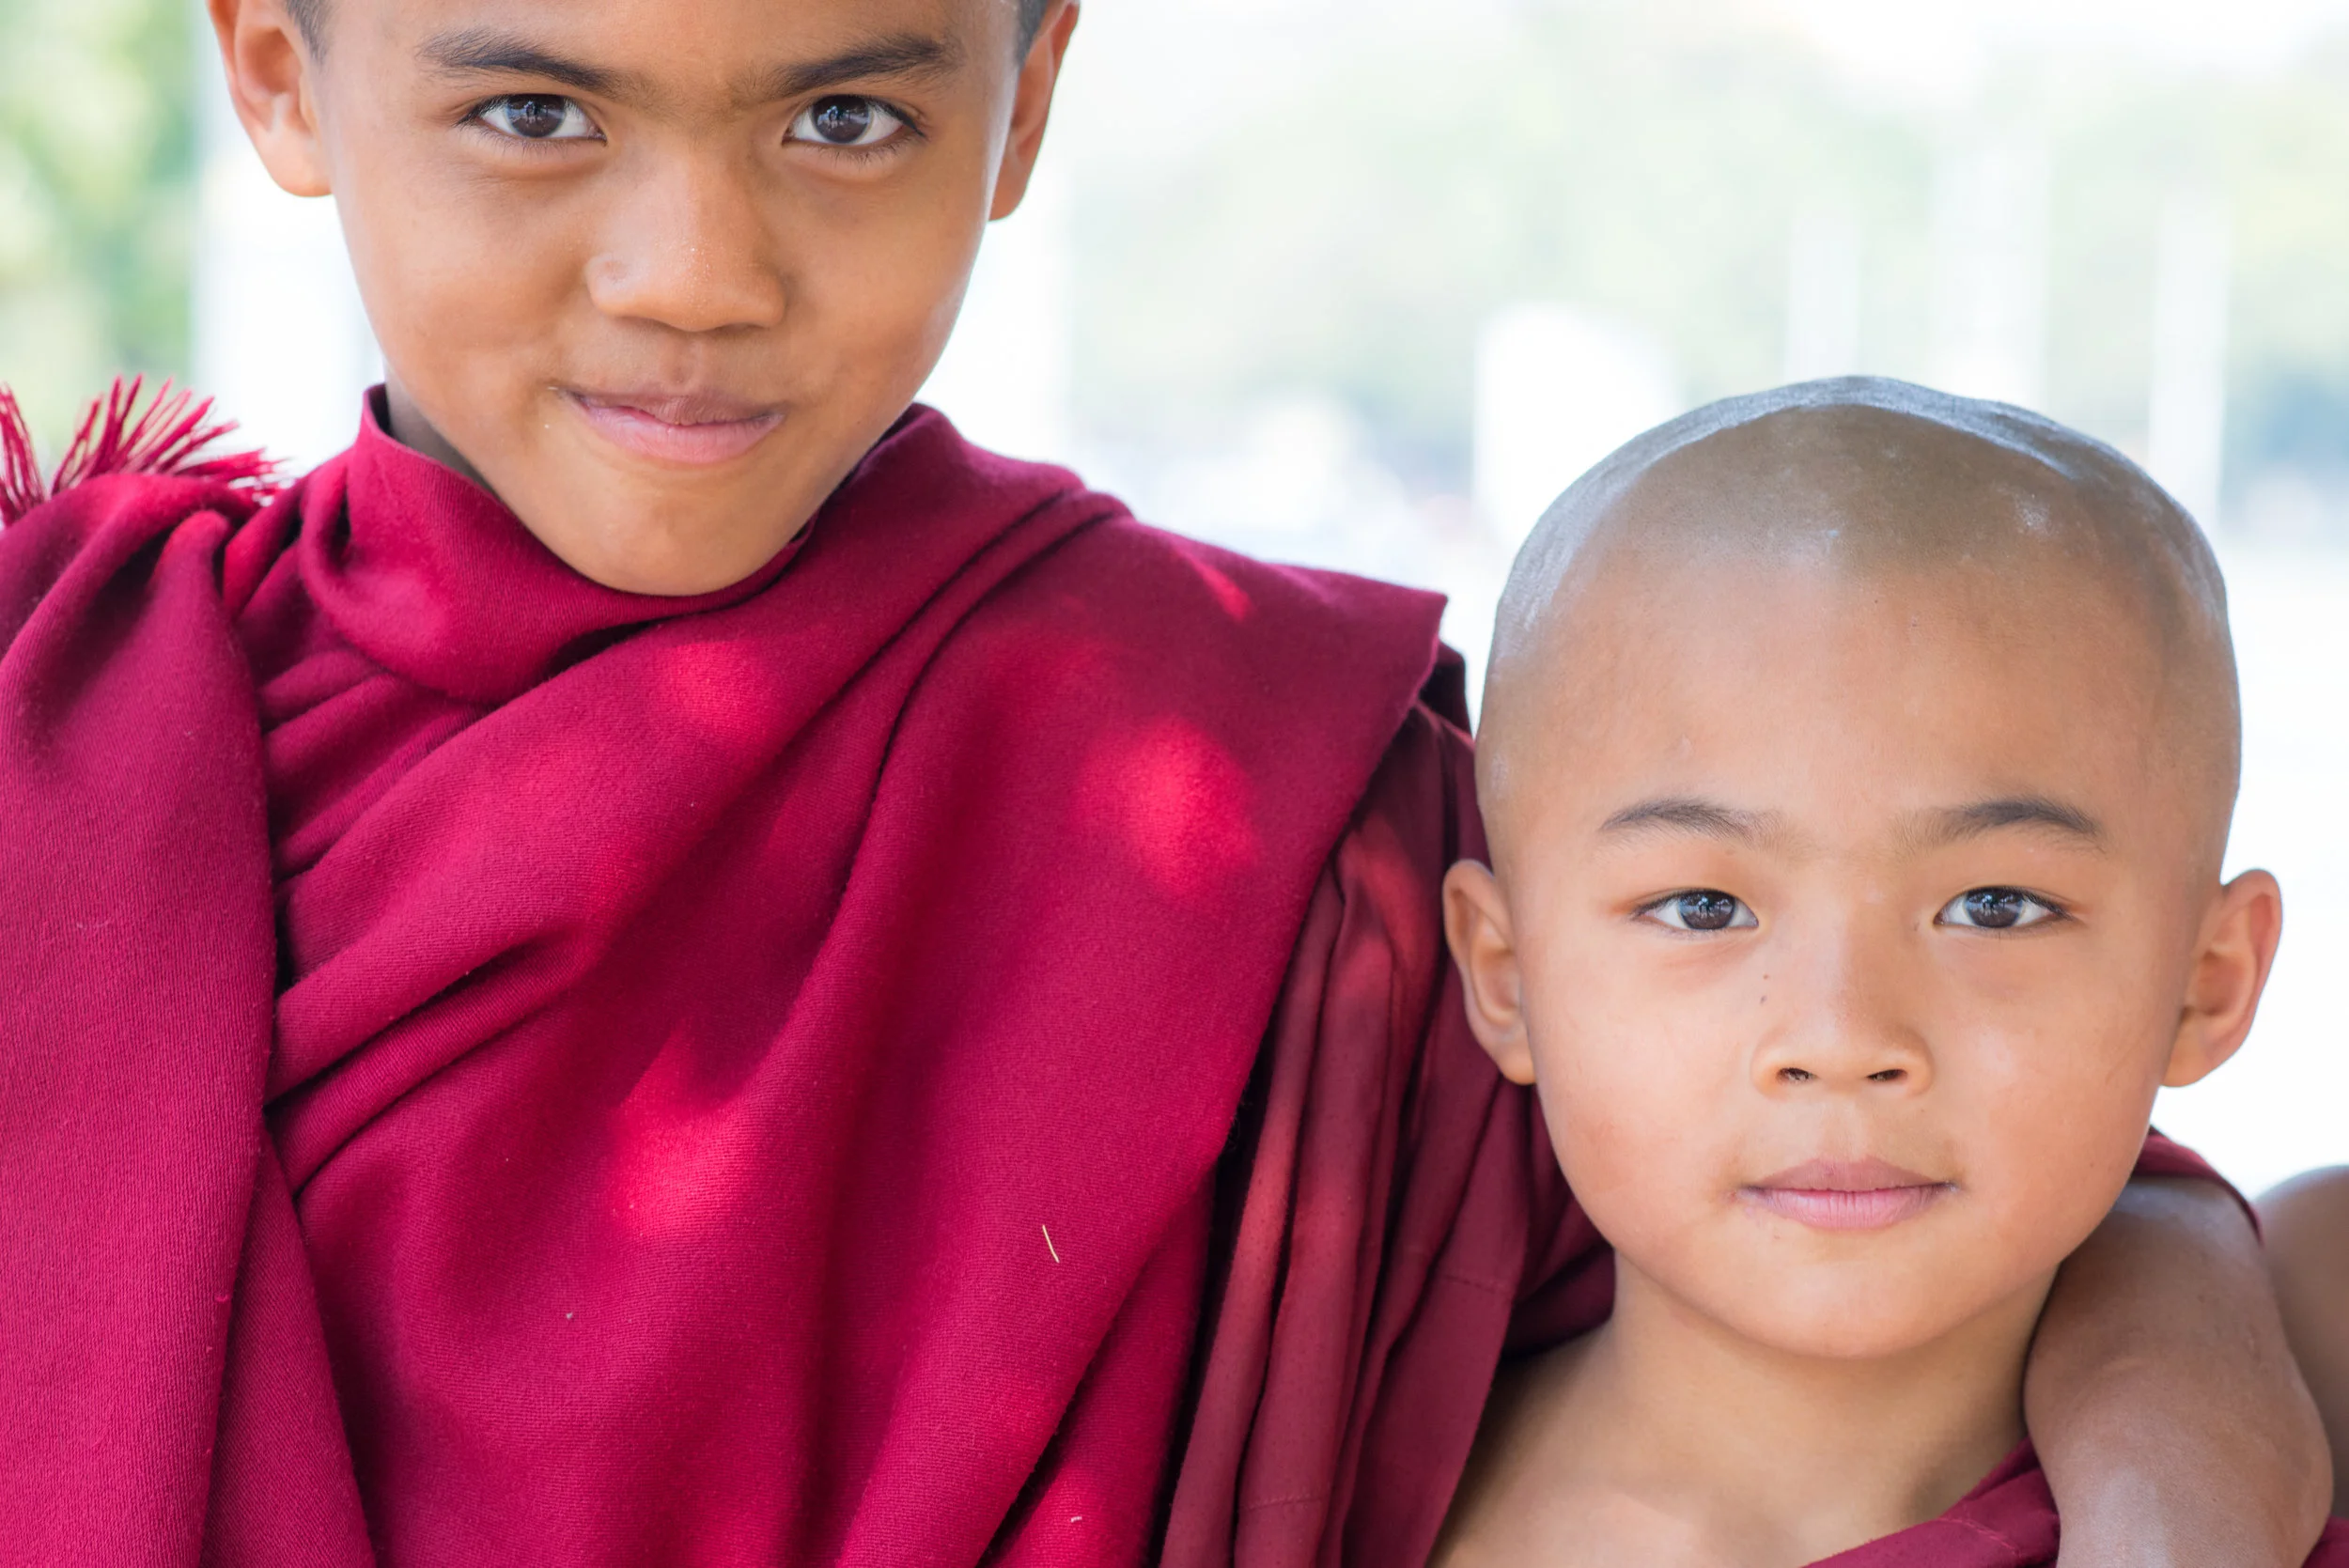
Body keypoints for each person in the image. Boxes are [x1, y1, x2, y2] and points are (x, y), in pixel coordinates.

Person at [0, 0, 2323, 1557]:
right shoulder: (67, 733)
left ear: (1023, 99)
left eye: (845, 117)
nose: (693, 271)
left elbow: (2012, 1193)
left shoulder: (1271, 797)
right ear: (278, 73)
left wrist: (2174, 1503)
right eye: (534, 112)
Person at [1433, 378, 2346, 1567]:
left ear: (2206, 981)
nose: (1840, 1034)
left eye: (1994, 907)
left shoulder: (2312, 1344)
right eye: (1703, 908)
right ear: (1505, 975)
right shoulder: (1343, 1462)